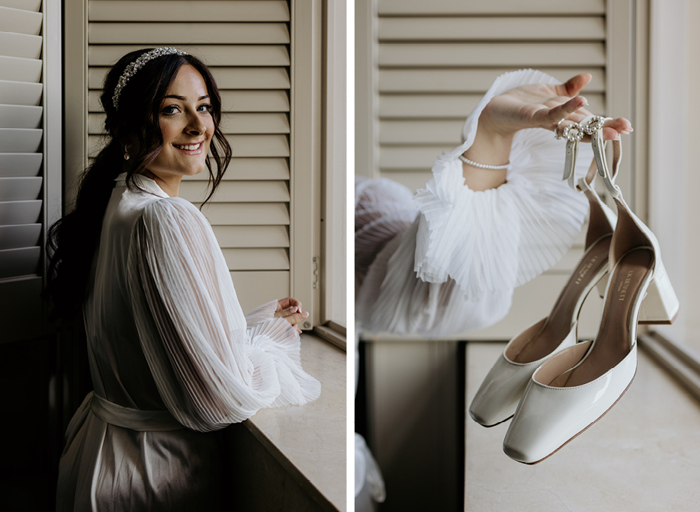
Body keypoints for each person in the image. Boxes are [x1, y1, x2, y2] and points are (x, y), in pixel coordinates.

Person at [47, 47, 321, 511]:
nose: (198, 126)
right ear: (130, 129)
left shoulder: (118, 203)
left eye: (205, 107)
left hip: (100, 454)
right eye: (173, 109)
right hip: (153, 475)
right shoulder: (166, 219)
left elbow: (156, 339)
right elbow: (219, 401)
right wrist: (275, 336)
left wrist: (253, 324)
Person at [356, 69, 632, 337]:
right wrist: (491, 135)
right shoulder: (354, 202)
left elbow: (424, 298)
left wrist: (492, 138)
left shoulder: (361, 199)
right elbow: (408, 302)